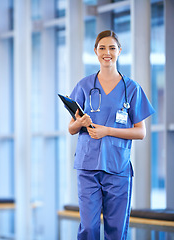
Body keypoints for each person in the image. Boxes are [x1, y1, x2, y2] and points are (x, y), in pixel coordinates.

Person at [68, 30, 155, 240]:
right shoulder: (84, 85)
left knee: (116, 230)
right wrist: (80, 122)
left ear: (119, 51)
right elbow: (71, 128)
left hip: (118, 168)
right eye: (102, 48)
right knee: (88, 228)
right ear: (96, 52)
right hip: (88, 166)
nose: (107, 52)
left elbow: (140, 132)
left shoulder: (131, 88)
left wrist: (107, 131)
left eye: (112, 48)